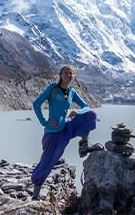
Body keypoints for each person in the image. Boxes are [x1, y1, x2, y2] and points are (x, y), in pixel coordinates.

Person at [31, 65, 102, 200]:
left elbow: (86, 106)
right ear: (60, 75)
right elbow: (36, 104)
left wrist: (78, 111)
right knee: (48, 162)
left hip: (66, 127)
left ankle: (84, 145)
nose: (68, 75)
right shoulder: (53, 89)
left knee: (91, 115)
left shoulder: (71, 92)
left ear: (73, 76)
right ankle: (35, 195)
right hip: (53, 132)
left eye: (71, 73)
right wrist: (44, 122)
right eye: (66, 73)